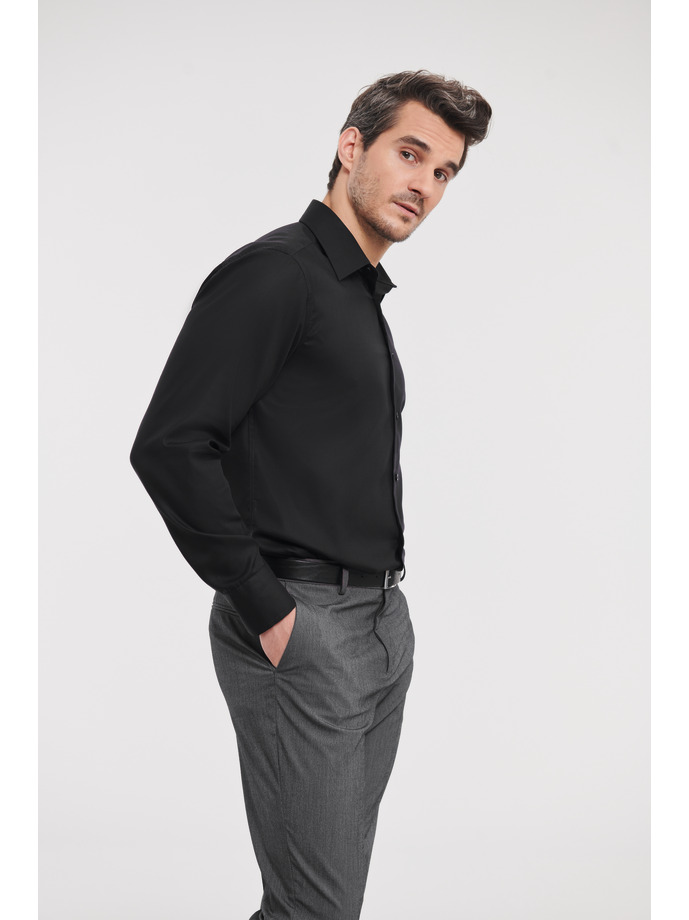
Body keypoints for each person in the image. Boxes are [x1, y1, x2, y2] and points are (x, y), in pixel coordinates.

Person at [129, 69, 492, 920]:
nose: (425, 185)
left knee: (318, 903)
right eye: (411, 154)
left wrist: (381, 621)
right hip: (301, 626)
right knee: (315, 909)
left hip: (378, 624)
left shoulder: (357, 295)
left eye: (444, 172)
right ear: (350, 146)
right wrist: (267, 609)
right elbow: (170, 445)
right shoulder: (277, 274)